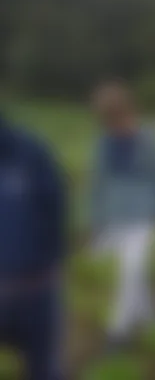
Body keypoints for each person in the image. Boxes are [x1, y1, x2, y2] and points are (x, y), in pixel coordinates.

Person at [88, 79, 155, 352]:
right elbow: (98, 183)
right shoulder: (105, 143)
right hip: (114, 215)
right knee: (131, 270)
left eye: (118, 115)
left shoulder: (149, 139)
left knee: (131, 269)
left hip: (144, 213)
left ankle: (117, 332)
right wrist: (95, 222)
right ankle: (152, 320)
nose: (115, 122)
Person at [0, 114, 66, 380]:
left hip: (34, 289)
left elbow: (55, 209)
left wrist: (51, 264)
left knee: (43, 367)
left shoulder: (30, 153)